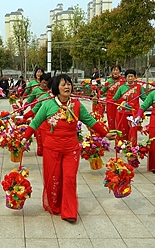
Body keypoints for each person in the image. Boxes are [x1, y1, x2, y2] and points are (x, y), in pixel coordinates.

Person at [20, 74, 116, 222]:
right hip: (52, 148)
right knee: (54, 178)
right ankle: (55, 204)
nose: (67, 87)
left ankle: (69, 211)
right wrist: (24, 138)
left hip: (71, 148)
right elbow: (35, 122)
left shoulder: (76, 105)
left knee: (70, 179)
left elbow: (89, 120)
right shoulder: (47, 104)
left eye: (69, 84)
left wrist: (105, 133)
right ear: (56, 88)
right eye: (63, 84)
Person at [112, 69, 146, 144]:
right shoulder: (121, 87)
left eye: (132, 76)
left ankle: (132, 146)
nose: (130, 78)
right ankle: (123, 144)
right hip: (123, 112)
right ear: (125, 78)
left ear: (135, 77)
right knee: (123, 129)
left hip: (134, 112)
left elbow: (145, 99)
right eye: (128, 76)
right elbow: (115, 98)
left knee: (133, 129)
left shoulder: (139, 87)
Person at [24, 73, 52, 156]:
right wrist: (23, 111)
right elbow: (30, 102)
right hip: (39, 117)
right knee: (39, 135)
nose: (45, 85)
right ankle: (41, 151)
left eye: (47, 83)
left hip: (51, 120)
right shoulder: (39, 93)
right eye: (43, 83)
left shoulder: (54, 95)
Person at [99, 65, 124, 130]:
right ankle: (112, 132)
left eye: (117, 70)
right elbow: (103, 90)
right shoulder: (109, 81)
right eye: (114, 70)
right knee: (111, 117)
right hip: (110, 102)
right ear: (111, 72)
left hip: (120, 102)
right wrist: (97, 94)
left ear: (120, 71)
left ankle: (120, 132)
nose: (115, 72)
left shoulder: (123, 80)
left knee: (120, 117)